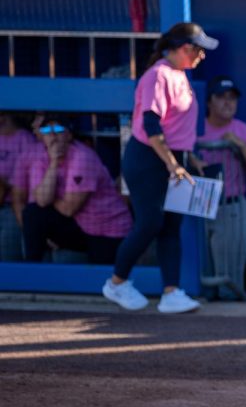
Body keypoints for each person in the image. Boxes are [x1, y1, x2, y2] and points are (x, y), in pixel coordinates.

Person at [103, 21, 215, 314]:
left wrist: (189, 160)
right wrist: (173, 164)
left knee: (171, 225)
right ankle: (116, 282)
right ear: (184, 48)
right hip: (148, 159)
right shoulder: (158, 75)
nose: (202, 56)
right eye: (199, 51)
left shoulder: (179, 75)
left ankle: (171, 291)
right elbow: (151, 125)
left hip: (171, 159)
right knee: (150, 222)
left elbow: (177, 127)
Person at [11, 116, 131, 263]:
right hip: (81, 225)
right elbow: (42, 201)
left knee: (101, 280)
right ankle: (31, 270)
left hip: (107, 229)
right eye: (47, 130)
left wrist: (51, 194)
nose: (53, 136)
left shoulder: (82, 156)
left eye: (59, 130)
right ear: (42, 136)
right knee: (33, 213)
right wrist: (54, 163)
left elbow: (69, 208)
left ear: (69, 135)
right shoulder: (41, 157)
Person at [196, 76, 246, 300]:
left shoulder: (245, 131)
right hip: (195, 208)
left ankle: (226, 327)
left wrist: (240, 145)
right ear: (209, 101)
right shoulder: (194, 127)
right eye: (221, 97)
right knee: (195, 279)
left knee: (229, 282)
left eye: (232, 98)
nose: (228, 103)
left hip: (230, 208)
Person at [0, 112, 39, 261]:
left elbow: (32, 176)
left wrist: (7, 183)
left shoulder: (25, 139)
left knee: (8, 256)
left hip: (12, 207)